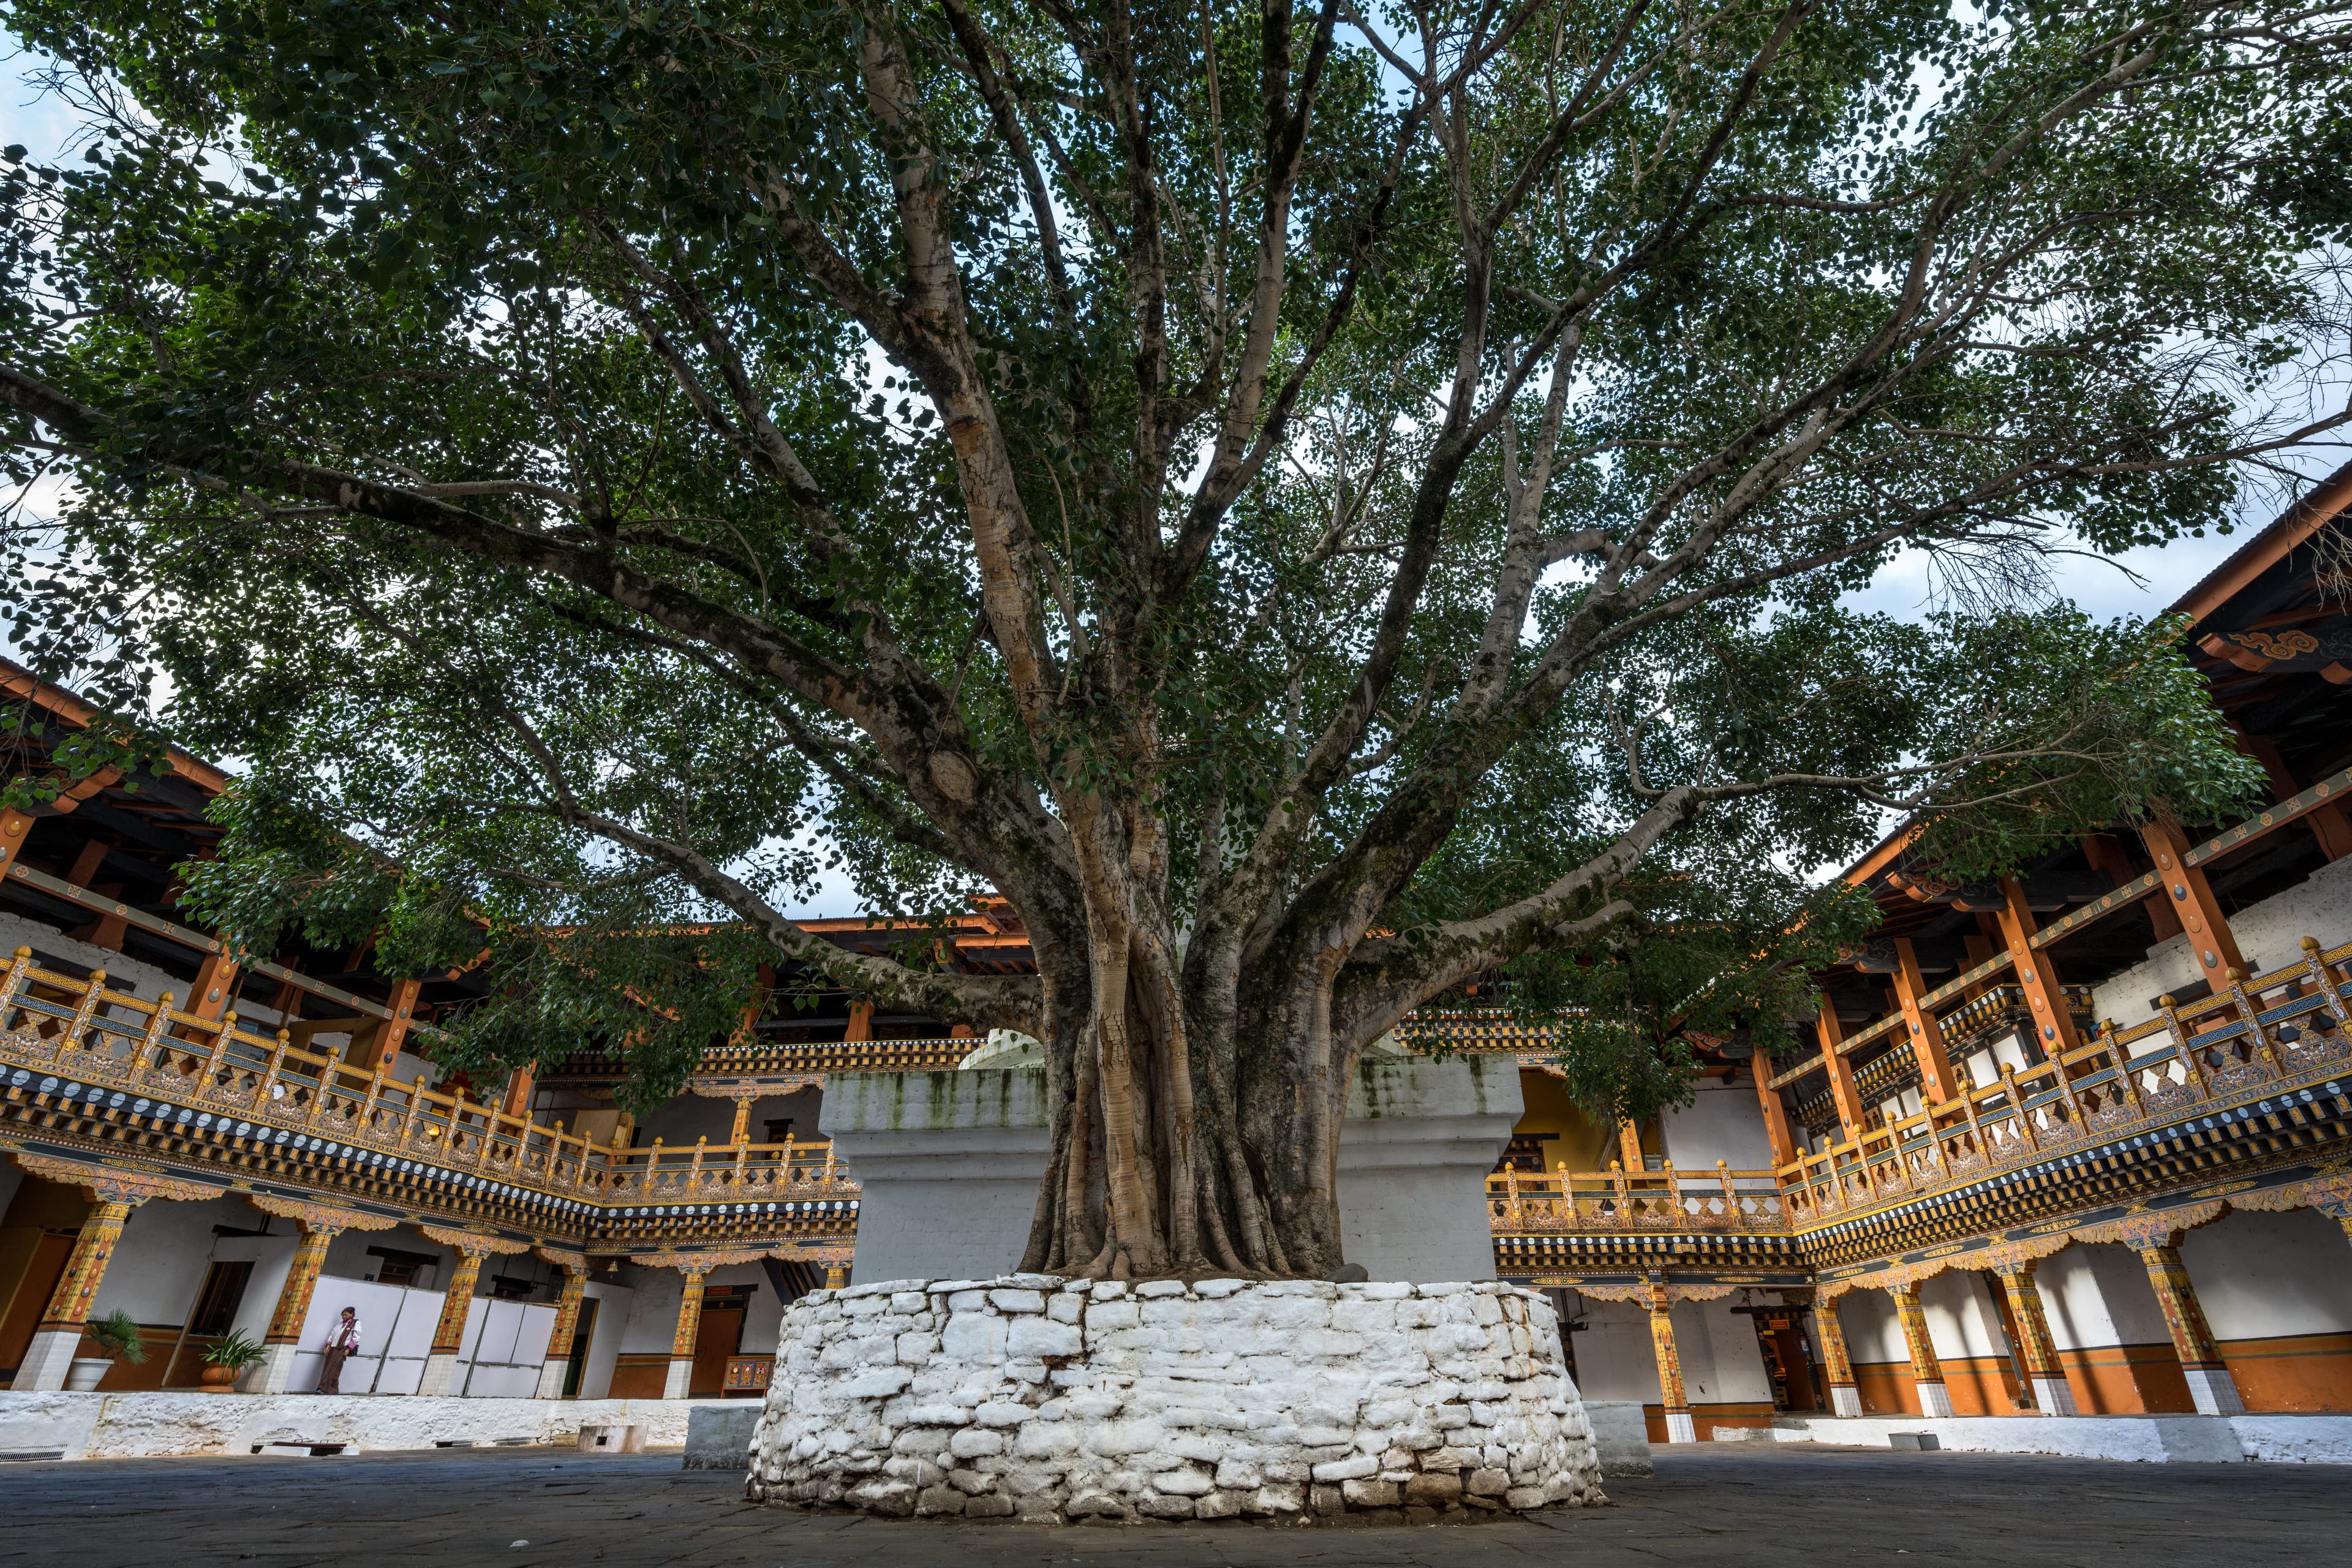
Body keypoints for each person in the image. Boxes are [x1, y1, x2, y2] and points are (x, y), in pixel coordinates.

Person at [315, 1307, 361, 1395]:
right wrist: (328, 1346)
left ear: (352, 1314)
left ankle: (331, 1390)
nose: (344, 1317)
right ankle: (322, 1388)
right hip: (333, 1349)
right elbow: (332, 1335)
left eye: (346, 1315)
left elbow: (356, 1338)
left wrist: (348, 1349)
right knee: (327, 1368)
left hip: (342, 1349)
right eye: (343, 1315)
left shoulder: (356, 1323)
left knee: (335, 1369)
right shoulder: (340, 1325)